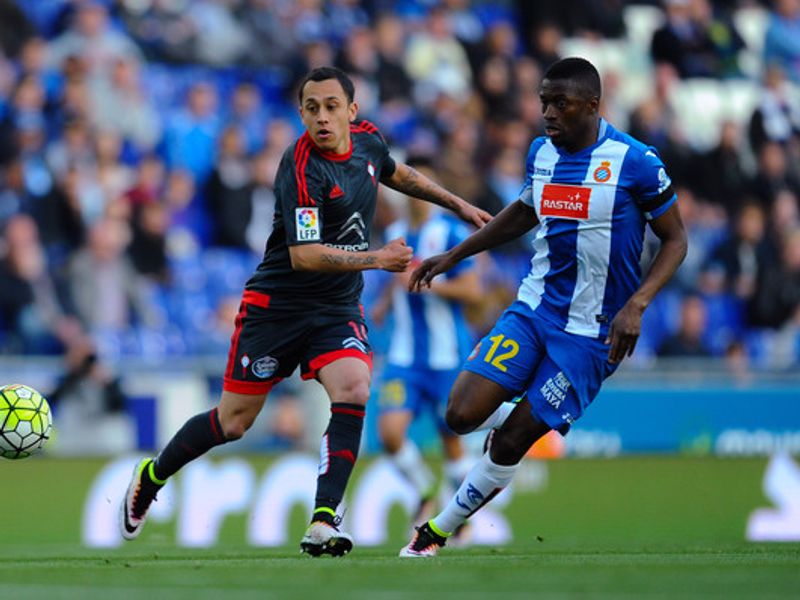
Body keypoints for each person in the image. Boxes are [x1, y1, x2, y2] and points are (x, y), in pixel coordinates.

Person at [119, 67, 491, 557]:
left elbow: (400, 174)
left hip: (335, 307)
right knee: (233, 422)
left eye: (331, 106)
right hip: (277, 308)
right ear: (301, 114)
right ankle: (152, 475)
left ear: (352, 112)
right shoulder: (300, 168)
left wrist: (457, 204)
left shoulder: (368, 141)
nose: (322, 117)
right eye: (311, 108)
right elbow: (305, 255)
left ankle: (323, 518)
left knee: (354, 386)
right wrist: (378, 258)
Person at [399, 57, 688, 557]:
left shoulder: (635, 161)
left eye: (560, 103)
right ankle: (527, 406)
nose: (548, 113)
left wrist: (637, 304)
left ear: (593, 107)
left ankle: (437, 532)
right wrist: (453, 255)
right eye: (543, 102)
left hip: (591, 334)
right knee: (460, 416)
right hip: (534, 310)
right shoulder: (542, 154)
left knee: (511, 442)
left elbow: (677, 240)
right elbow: (525, 212)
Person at [371, 156, 482, 531]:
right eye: (412, 186)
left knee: (451, 441)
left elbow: (472, 290)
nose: (417, 195)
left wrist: (428, 282)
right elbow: (395, 276)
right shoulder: (396, 232)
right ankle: (423, 492)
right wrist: (385, 303)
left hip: (448, 354)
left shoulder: (450, 233)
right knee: (389, 433)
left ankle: (459, 520)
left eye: (425, 186)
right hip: (405, 354)